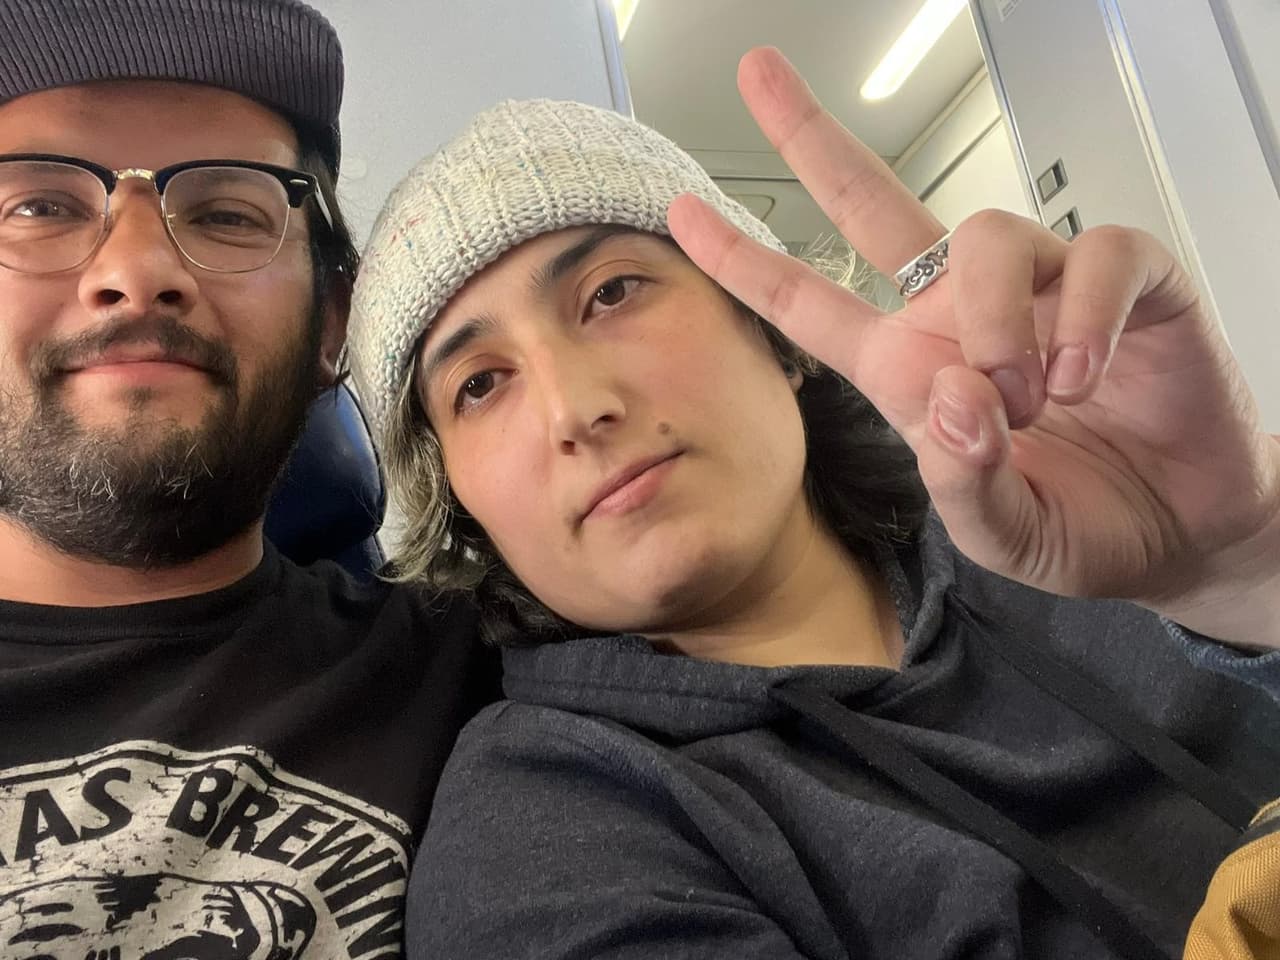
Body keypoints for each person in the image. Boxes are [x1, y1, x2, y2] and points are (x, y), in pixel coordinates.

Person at [348, 47, 1280, 960]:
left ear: (776, 334)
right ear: (462, 509)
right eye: (479, 385)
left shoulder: (1067, 531)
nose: (574, 409)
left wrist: (1243, 565)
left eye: (613, 293)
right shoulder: (536, 846)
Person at [0, 1, 496, 956]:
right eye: (40, 207)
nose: (137, 270)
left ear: (332, 321)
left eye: (228, 214)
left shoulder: (487, 669)